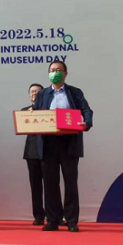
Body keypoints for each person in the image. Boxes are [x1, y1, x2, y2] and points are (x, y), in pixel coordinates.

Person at [32, 61, 92, 233]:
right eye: (52, 70)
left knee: (70, 182)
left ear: (65, 74)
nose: (55, 73)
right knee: (50, 183)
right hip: (48, 143)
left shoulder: (74, 92)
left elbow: (86, 110)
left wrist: (87, 122)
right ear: (48, 74)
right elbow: (36, 112)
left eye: (58, 70)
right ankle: (53, 219)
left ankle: (71, 220)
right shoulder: (43, 93)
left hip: (69, 142)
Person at [22, 83, 46, 226]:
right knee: (35, 186)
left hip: (48, 151)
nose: (34, 94)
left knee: (51, 185)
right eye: (32, 92)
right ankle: (38, 215)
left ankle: (54, 214)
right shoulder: (25, 111)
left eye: (37, 91)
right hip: (32, 152)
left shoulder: (49, 110)